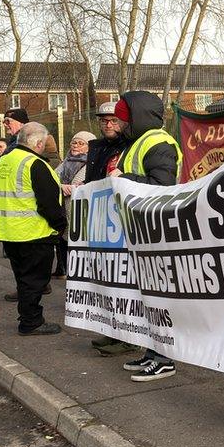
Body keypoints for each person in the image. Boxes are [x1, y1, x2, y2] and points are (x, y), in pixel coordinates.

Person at [112, 91, 183, 381]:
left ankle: (165, 358)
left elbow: (161, 184)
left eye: (122, 119)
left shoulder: (158, 142)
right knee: (147, 299)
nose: (117, 124)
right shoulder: (138, 143)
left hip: (158, 234)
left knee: (159, 299)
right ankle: (154, 351)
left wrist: (123, 180)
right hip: (142, 233)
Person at [0, 122, 67, 335]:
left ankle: (27, 316)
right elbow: (49, 203)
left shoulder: (5, 161)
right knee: (34, 281)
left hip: (9, 231)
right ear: (38, 142)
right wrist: (59, 226)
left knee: (23, 279)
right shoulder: (35, 164)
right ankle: (31, 321)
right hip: (34, 232)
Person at [84, 101, 137, 357]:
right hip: (101, 221)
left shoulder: (130, 146)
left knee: (124, 282)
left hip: (124, 222)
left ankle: (127, 336)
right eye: (103, 120)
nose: (107, 124)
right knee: (106, 279)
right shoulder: (96, 148)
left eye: (113, 119)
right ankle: (113, 329)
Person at [53, 131, 96, 279]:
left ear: (89, 147)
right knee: (64, 240)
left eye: (81, 143)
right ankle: (67, 271)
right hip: (63, 210)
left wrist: (78, 188)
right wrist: (61, 187)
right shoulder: (65, 162)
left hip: (83, 212)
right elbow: (52, 179)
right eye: (74, 142)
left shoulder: (92, 164)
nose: (76, 146)